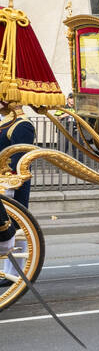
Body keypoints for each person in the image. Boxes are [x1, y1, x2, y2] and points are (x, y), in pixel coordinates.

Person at [2, 101, 36, 281]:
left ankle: (15, 272)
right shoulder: (7, 122)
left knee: (16, 227)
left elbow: (20, 160)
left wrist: (9, 188)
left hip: (13, 185)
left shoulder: (22, 125)